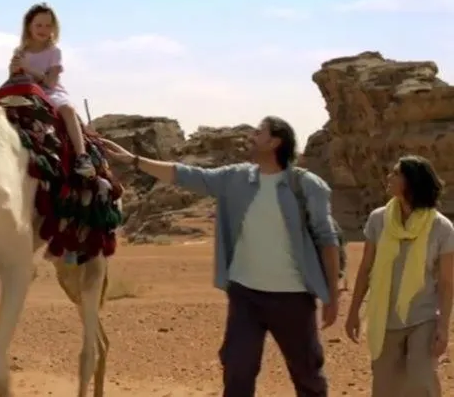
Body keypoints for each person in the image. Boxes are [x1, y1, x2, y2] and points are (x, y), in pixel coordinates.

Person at [100, 116, 340, 397]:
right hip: (245, 295)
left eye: (259, 132)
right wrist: (134, 161)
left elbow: (327, 240)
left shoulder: (307, 185)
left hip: (294, 298)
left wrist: (332, 296)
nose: (252, 135)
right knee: (237, 371)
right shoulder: (236, 178)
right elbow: (185, 174)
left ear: (275, 141)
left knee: (307, 375)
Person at [345, 155, 452, 397]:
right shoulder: (378, 220)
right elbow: (365, 269)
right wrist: (353, 312)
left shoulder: (441, 228)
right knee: (385, 387)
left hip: (423, 317)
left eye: (395, 173)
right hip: (385, 317)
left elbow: (446, 283)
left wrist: (443, 327)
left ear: (411, 182)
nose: (389, 177)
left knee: (420, 379)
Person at [8, 2, 95, 178]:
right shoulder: (20, 51)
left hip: (50, 92)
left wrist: (29, 69)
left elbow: (51, 83)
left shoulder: (54, 52)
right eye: (38, 25)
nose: (43, 29)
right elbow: (14, 78)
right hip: (27, 91)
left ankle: (82, 157)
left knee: (68, 109)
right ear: (29, 26)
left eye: (48, 25)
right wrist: (14, 69)